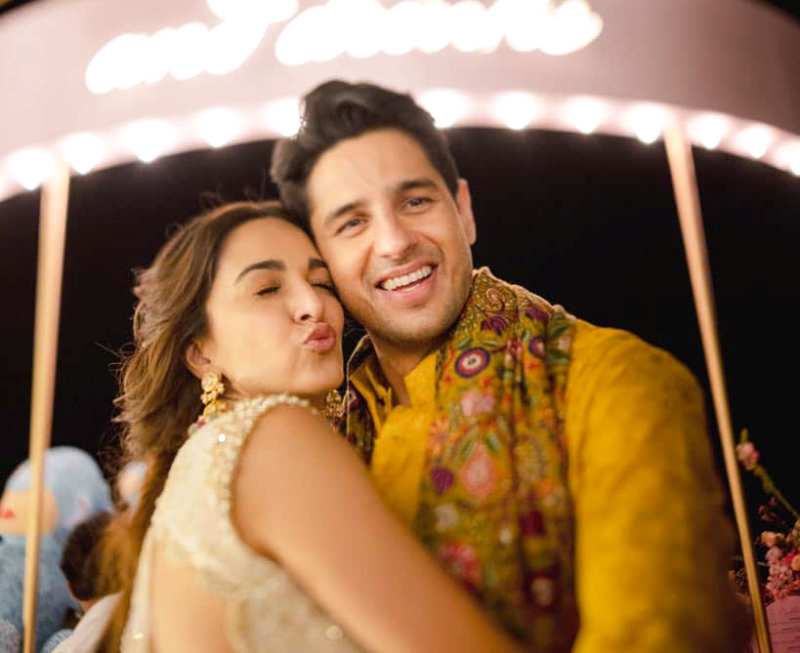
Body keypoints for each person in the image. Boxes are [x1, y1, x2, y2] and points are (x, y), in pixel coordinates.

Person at [270, 80, 746, 652]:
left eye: (415, 202)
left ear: (464, 211)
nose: (394, 242)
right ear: (321, 261)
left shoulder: (612, 380)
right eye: (352, 223)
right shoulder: (321, 439)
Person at [97, 201, 522, 652]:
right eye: (267, 289)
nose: (312, 305)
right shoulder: (273, 438)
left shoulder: (204, 468)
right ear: (201, 353)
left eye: (322, 283)